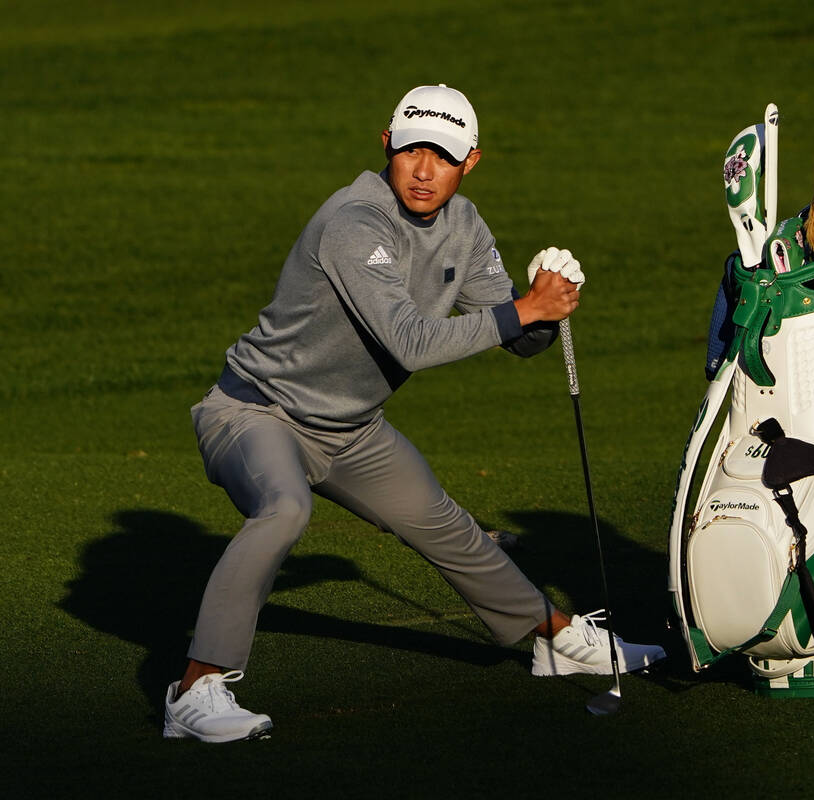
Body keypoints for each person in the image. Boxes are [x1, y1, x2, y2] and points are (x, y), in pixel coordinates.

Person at [163, 84, 665, 743]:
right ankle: (195, 690)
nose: (424, 170)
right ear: (387, 146)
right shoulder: (353, 222)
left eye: (443, 157)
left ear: (472, 162)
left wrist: (549, 298)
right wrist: (526, 310)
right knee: (284, 509)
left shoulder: (465, 227)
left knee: (444, 524)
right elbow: (412, 342)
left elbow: (521, 336)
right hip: (255, 411)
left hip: (349, 428)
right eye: (411, 151)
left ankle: (555, 641)